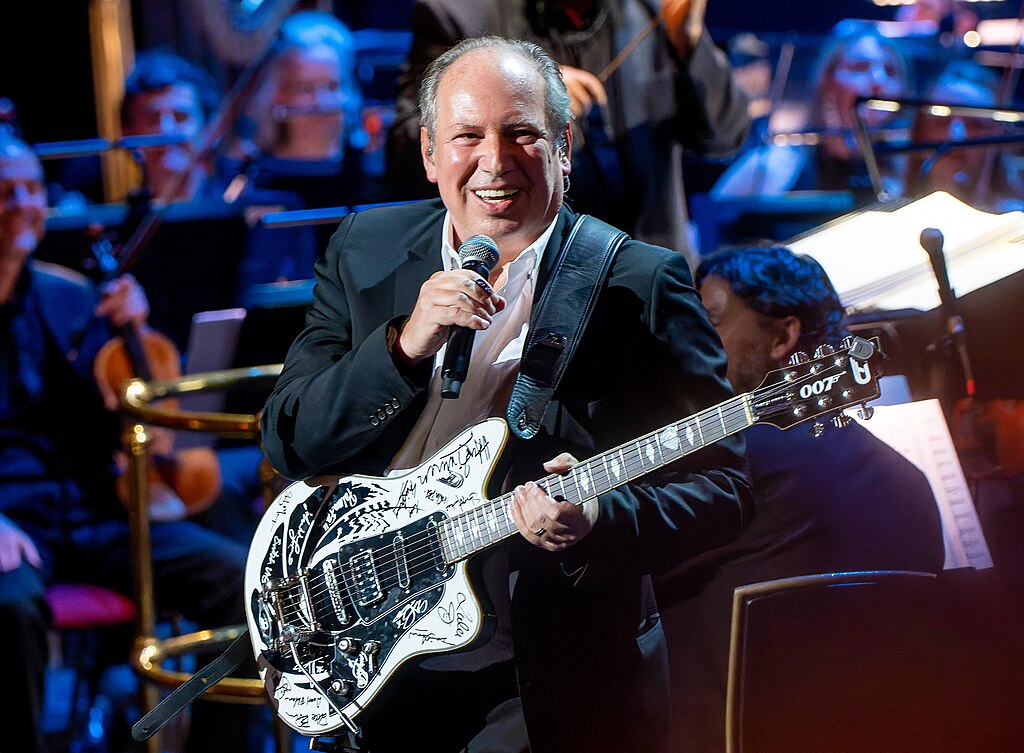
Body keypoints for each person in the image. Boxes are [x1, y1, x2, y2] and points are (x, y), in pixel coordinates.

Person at [260, 35, 751, 753]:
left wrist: (597, 518)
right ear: (431, 153)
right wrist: (404, 345)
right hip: (370, 667)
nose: (495, 161)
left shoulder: (640, 282)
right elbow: (290, 437)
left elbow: (724, 487)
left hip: (541, 685)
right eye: (468, 136)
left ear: (564, 146)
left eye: (522, 132)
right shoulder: (364, 248)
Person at [0, 130, 256, 753]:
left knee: (248, 589)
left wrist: (137, 330)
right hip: (14, 525)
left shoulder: (70, 297)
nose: (24, 204)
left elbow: (134, 401)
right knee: (9, 608)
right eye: (5, 192)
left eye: (33, 188)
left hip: (97, 514)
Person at [656, 245, 946, 753]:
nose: (692, 346)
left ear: (782, 336)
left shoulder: (730, 465)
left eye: (712, 323)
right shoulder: (912, 481)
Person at [385, 0, 751, 266]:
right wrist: (524, 88)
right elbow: (408, 154)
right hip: (524, 289)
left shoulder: (654, 10)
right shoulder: (458, 12)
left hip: (652, 279)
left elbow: (724, 138)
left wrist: (688, 40)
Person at [120, 47, 223, 204]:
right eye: (152, 119)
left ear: (210, 130)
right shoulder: (118, 225)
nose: (166, 131)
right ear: (128, 134)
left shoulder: (236, 212)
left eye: (180, 117)